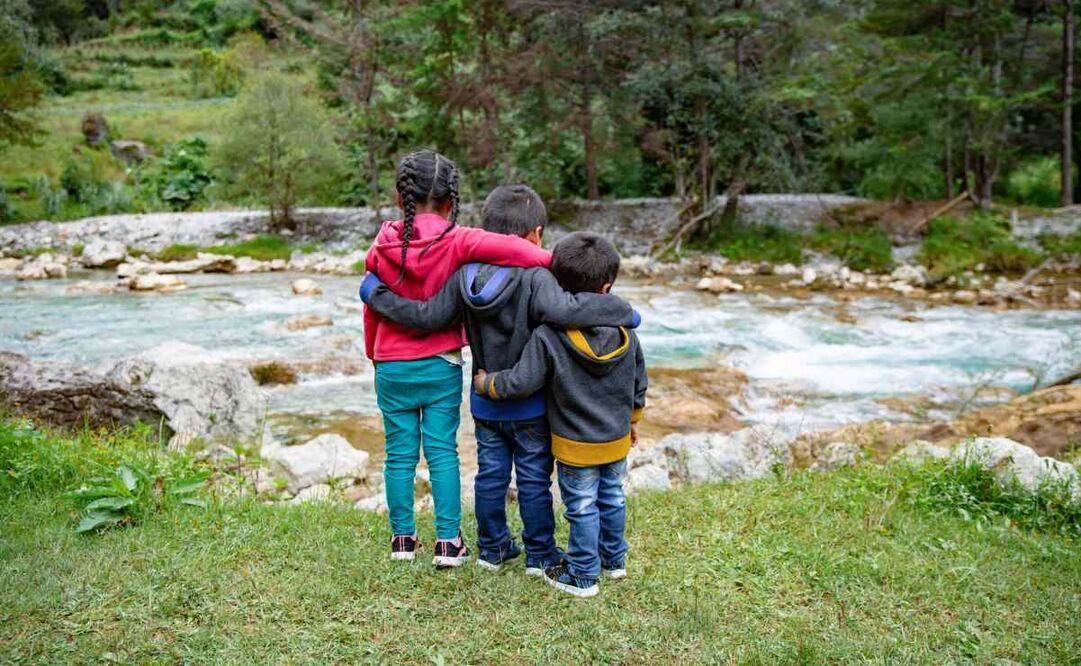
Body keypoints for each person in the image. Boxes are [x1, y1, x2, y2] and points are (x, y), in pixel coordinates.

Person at [360, 185, 639, 575]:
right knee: (532, 479)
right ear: (536, 235)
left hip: (484, 397)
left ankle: (492, 548)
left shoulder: (464, 276)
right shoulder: (537, 278)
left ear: (487, 229)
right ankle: (539, 554)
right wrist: (622, 311)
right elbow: (567, 310)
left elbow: (427, 317)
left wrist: (376, 294)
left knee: (490, 475)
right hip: (531, 403)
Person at [361, 150, 553, 568]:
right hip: (441, 363)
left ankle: (402, 540)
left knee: (398, 453)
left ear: (400, 197)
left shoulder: (381, 244)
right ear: (451, 201)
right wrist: (568, 265)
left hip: (390, 362)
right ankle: (448, 543)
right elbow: (525, 253)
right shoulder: (459, 239)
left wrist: (374, 355)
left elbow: (371, 309)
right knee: (442, 450)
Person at [473, 232, 648, 598]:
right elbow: (638, 383)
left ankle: (583, 574)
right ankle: (613, 561)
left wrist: (488, 383)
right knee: (613, 496)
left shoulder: (550, 335)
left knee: (581, 506)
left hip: (573, 444)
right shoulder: (627, 333)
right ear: (608, 286)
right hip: (615, 438)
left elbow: (521, 381)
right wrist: (633, 421)